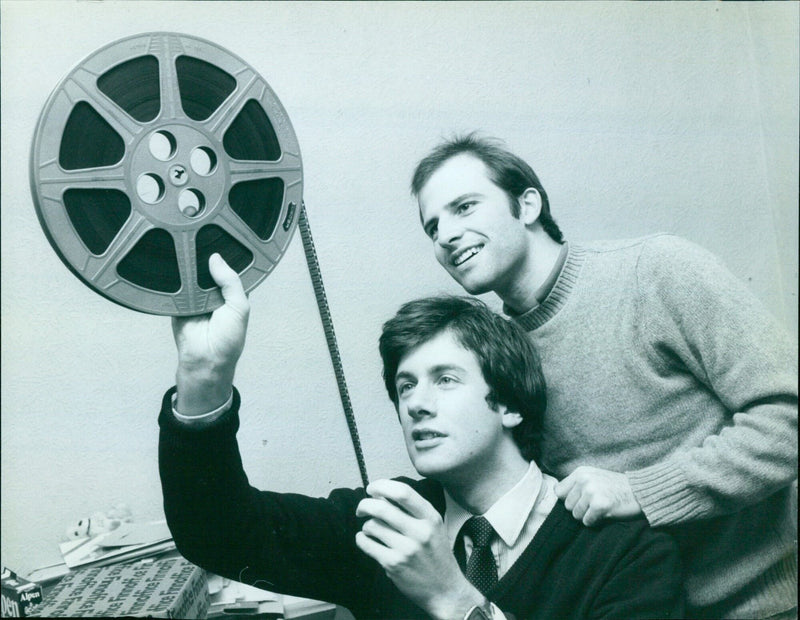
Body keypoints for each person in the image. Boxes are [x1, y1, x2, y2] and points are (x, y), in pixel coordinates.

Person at [159, 254, 683, 619]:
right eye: (405, 385)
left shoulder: (624, 552)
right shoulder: (386, 520)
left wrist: (456, 602)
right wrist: (205, 378)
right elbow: (217, 531)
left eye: (445, 379)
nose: (415, 402)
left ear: (508, 405)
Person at [411, 133, 798, 619]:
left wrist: (643, 490)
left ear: (527, 204)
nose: (445, 235)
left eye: (464, 207)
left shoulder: (656, 270)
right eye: (432, 227)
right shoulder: (497, 355)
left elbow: (789, 415)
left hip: (766, 604)